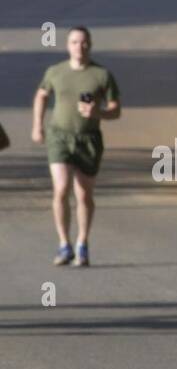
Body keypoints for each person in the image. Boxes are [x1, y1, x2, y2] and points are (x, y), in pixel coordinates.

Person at [32, 26, 120, 266]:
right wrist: (37, 126)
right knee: (61, 188)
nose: (79, 47)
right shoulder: (55, 71)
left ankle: (82, 243)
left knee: (84, 194)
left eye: (83, 42)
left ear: (90, 45)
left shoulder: (101, 75)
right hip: (59, 136)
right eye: (74, 42)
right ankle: (64, 243)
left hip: (88, 139)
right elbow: (41, 95)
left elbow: (116, 109)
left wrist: (98, 112)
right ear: (67, 45)